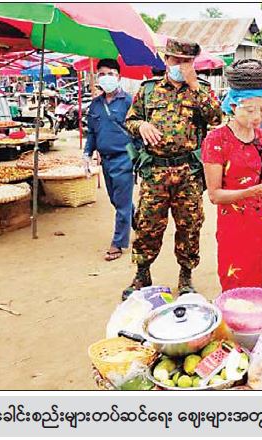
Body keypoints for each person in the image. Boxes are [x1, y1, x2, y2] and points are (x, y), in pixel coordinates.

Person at [123, 38, 223, 300]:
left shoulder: (201, 89)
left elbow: (216, 118)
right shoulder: (148, 90)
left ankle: (186, 276)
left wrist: (194, 85)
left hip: (188, 172)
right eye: (176, 60)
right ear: (166, 60)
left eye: (186, 61)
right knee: (147, 224)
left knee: (190, 225)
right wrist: (141, 126)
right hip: (155, 172)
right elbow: (130, 120)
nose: (181, 65)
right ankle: (142, 273)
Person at [202, 59, 262, 305]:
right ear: (233, 106)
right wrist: (253, 191)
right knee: (240, 288)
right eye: (250, 110)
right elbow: (215, 195)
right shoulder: (216, 140)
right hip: (236, 228)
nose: (258, 116)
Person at [83, 59, 134, 262]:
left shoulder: (129, 101)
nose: (106, 78)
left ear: (118, 77)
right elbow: (92, 132)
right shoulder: (95, 105)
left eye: (110, 74)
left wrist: (139, 156)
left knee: (121, 203)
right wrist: (87, 154)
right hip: (106, 160)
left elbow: (138, 129)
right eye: (102, 74)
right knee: (116, 200)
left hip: (124, 158)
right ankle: (139, 222)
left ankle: (118, 243)